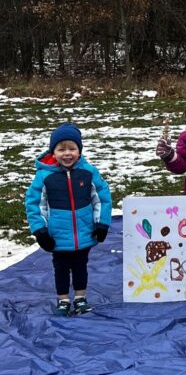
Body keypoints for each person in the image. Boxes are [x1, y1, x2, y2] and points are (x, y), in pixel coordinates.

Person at [24, 122, 112, 316]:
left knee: (81, 267)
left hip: (84, 232)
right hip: (58, 235)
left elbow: (102, 198)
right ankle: (63, 300)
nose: (67, 153)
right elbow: (34, 204)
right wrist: (40, 230)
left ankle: (80, 298)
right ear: (53, 152)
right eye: (61, 149)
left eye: (72, 148)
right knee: (61, 268)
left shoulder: (89, 173)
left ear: (79, 151)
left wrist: (102, 224)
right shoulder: (44, 176)